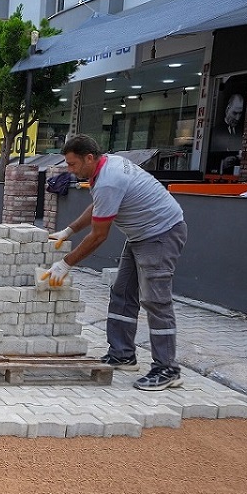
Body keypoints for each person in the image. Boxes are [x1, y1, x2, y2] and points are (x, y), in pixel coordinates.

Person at [44, 134, 188, 392]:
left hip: (161, 234)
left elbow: (99, 236)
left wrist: (64, 264)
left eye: (73, 164)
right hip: (140, 234)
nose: (70, 170)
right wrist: (68, 230)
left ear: (89, 158)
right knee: (122, 291)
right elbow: (99, 206)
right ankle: (123, 354)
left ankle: (167, 369)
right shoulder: (104, 167)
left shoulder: (109, 180)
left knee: (155, 301)